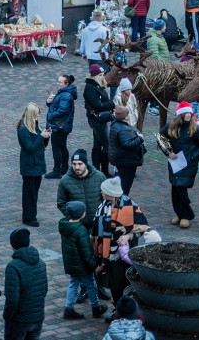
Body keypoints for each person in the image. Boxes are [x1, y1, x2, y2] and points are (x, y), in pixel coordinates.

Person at [94, 177, 149, 307]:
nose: (101, 192)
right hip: (108, 254)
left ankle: (125, 308)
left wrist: (128, 236)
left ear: (111, 193)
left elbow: (143, 227)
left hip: (124, 254)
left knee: (125, 283)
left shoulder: (131, 206)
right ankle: (118, 308)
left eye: (103, 190)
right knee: (114, 284)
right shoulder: (103, 206)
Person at [159, 102, 199, 228]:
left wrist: (193, 156)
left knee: (181, 189)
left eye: (189, 113)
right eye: (186, 113)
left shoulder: (195, 128)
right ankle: (180, 214)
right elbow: (161, 137)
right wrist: (168, 152)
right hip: (175, 163)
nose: (188, 115)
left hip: (188, 164)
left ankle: (186, 215)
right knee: (175, 189)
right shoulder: (172, 126)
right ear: (180, 115)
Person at [59, 201, 107, 320]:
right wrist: (94, 266)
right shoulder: (81, 230)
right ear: (81, 214)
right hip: (83, 266)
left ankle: (68, 308)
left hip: (72, 264)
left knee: (73, 284)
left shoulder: (65, 226)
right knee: (91, 285)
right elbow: (86, 253)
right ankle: (95, 308)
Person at [3, 228, 48, 340]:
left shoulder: (13, 266)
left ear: (12, 245)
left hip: (19, 321)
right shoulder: (41, 263)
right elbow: (44, 290)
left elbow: (12, 299)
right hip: (37, 317)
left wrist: (7, 316)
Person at [17, 103, 51, 227]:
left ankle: (32, 215)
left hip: (37, 165)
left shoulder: (35, 126)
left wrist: (46, 136)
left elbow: (42, 145)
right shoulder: (23, 129)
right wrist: (41, 137)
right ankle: (28, 217)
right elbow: (30, 148)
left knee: (34, 193)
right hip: (29, 166)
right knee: (29, 194)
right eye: (36, 115)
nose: (38, 117)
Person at [85, 65, 116, 177]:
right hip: (97, 120)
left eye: (103, 75)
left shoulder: (97, 85)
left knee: (97, 144)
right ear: (94, 76)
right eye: (100, 75)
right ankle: (104, 171)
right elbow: (96, 105)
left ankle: (97, 170)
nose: (103, 77)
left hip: (100, 119)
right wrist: (111, 104)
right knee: (106, 144)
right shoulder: (90, 87)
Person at [45, 74, 78, 178]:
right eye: (58, 81)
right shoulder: (63, 93)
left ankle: (57, 171)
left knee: (57, 148)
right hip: (62, 126)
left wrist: (50, 115)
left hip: (60, 126)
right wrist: (49, 102)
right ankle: (64, 168)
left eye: (60, 82)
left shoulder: (65, 96)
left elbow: (62, 110)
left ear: (66, 84)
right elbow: (56, 105)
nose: (58, 84)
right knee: (62, 147)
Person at [109, 105, 146, 196]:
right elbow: (127, 145)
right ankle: (122, 201)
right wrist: (140, 138)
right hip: (126, 161)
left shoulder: (116, 125)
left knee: (121, 182)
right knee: (125, 185)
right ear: (125, 117)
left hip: (121, 160)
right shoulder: (123, 130)